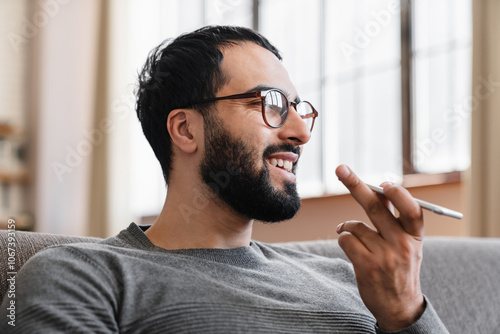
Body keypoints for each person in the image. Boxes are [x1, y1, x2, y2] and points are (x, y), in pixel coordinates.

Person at [0, 26, 448, 333]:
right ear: (186, 129)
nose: (301, 132)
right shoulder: (80, 276)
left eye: (299, 108)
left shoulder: (360, 281)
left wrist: (406, 311)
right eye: (270, 103)